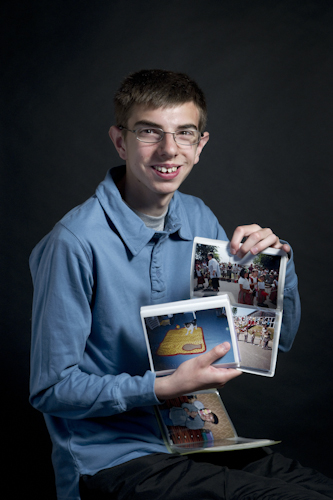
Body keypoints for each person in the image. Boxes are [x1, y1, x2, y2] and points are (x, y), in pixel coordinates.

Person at [29, 69, 332, 500]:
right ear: (120, 141)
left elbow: (266, 345)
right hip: (116, 460)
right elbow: (51, 389)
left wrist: (274, 269)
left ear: (200, 145)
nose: (169, 149)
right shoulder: (73, 243)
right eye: (150, 132)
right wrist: (160, 387)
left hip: (200, 438)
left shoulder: (198, 216)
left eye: (184, 133)